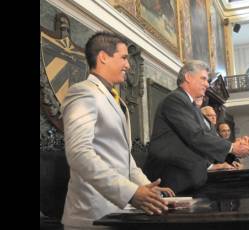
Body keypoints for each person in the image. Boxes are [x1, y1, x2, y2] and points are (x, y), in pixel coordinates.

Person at [61, 32, 175, 229]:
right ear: (103, 57)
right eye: (123, 57)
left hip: (118, 213)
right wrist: (130, 193)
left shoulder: (117, 100)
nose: (128, 65)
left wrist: (147, 189)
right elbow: (79, 153)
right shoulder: (83, 92)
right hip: (92, 215)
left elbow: (124, 158)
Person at [143, 60, 249, 193]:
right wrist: (232, 147)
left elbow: (206, 138)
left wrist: (218, 160)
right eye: (203, 79)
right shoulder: (175, 99)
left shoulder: (191, 105)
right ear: (188, 77)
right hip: (172, 180)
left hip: (189, 178)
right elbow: (195, 136)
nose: (207, 84)